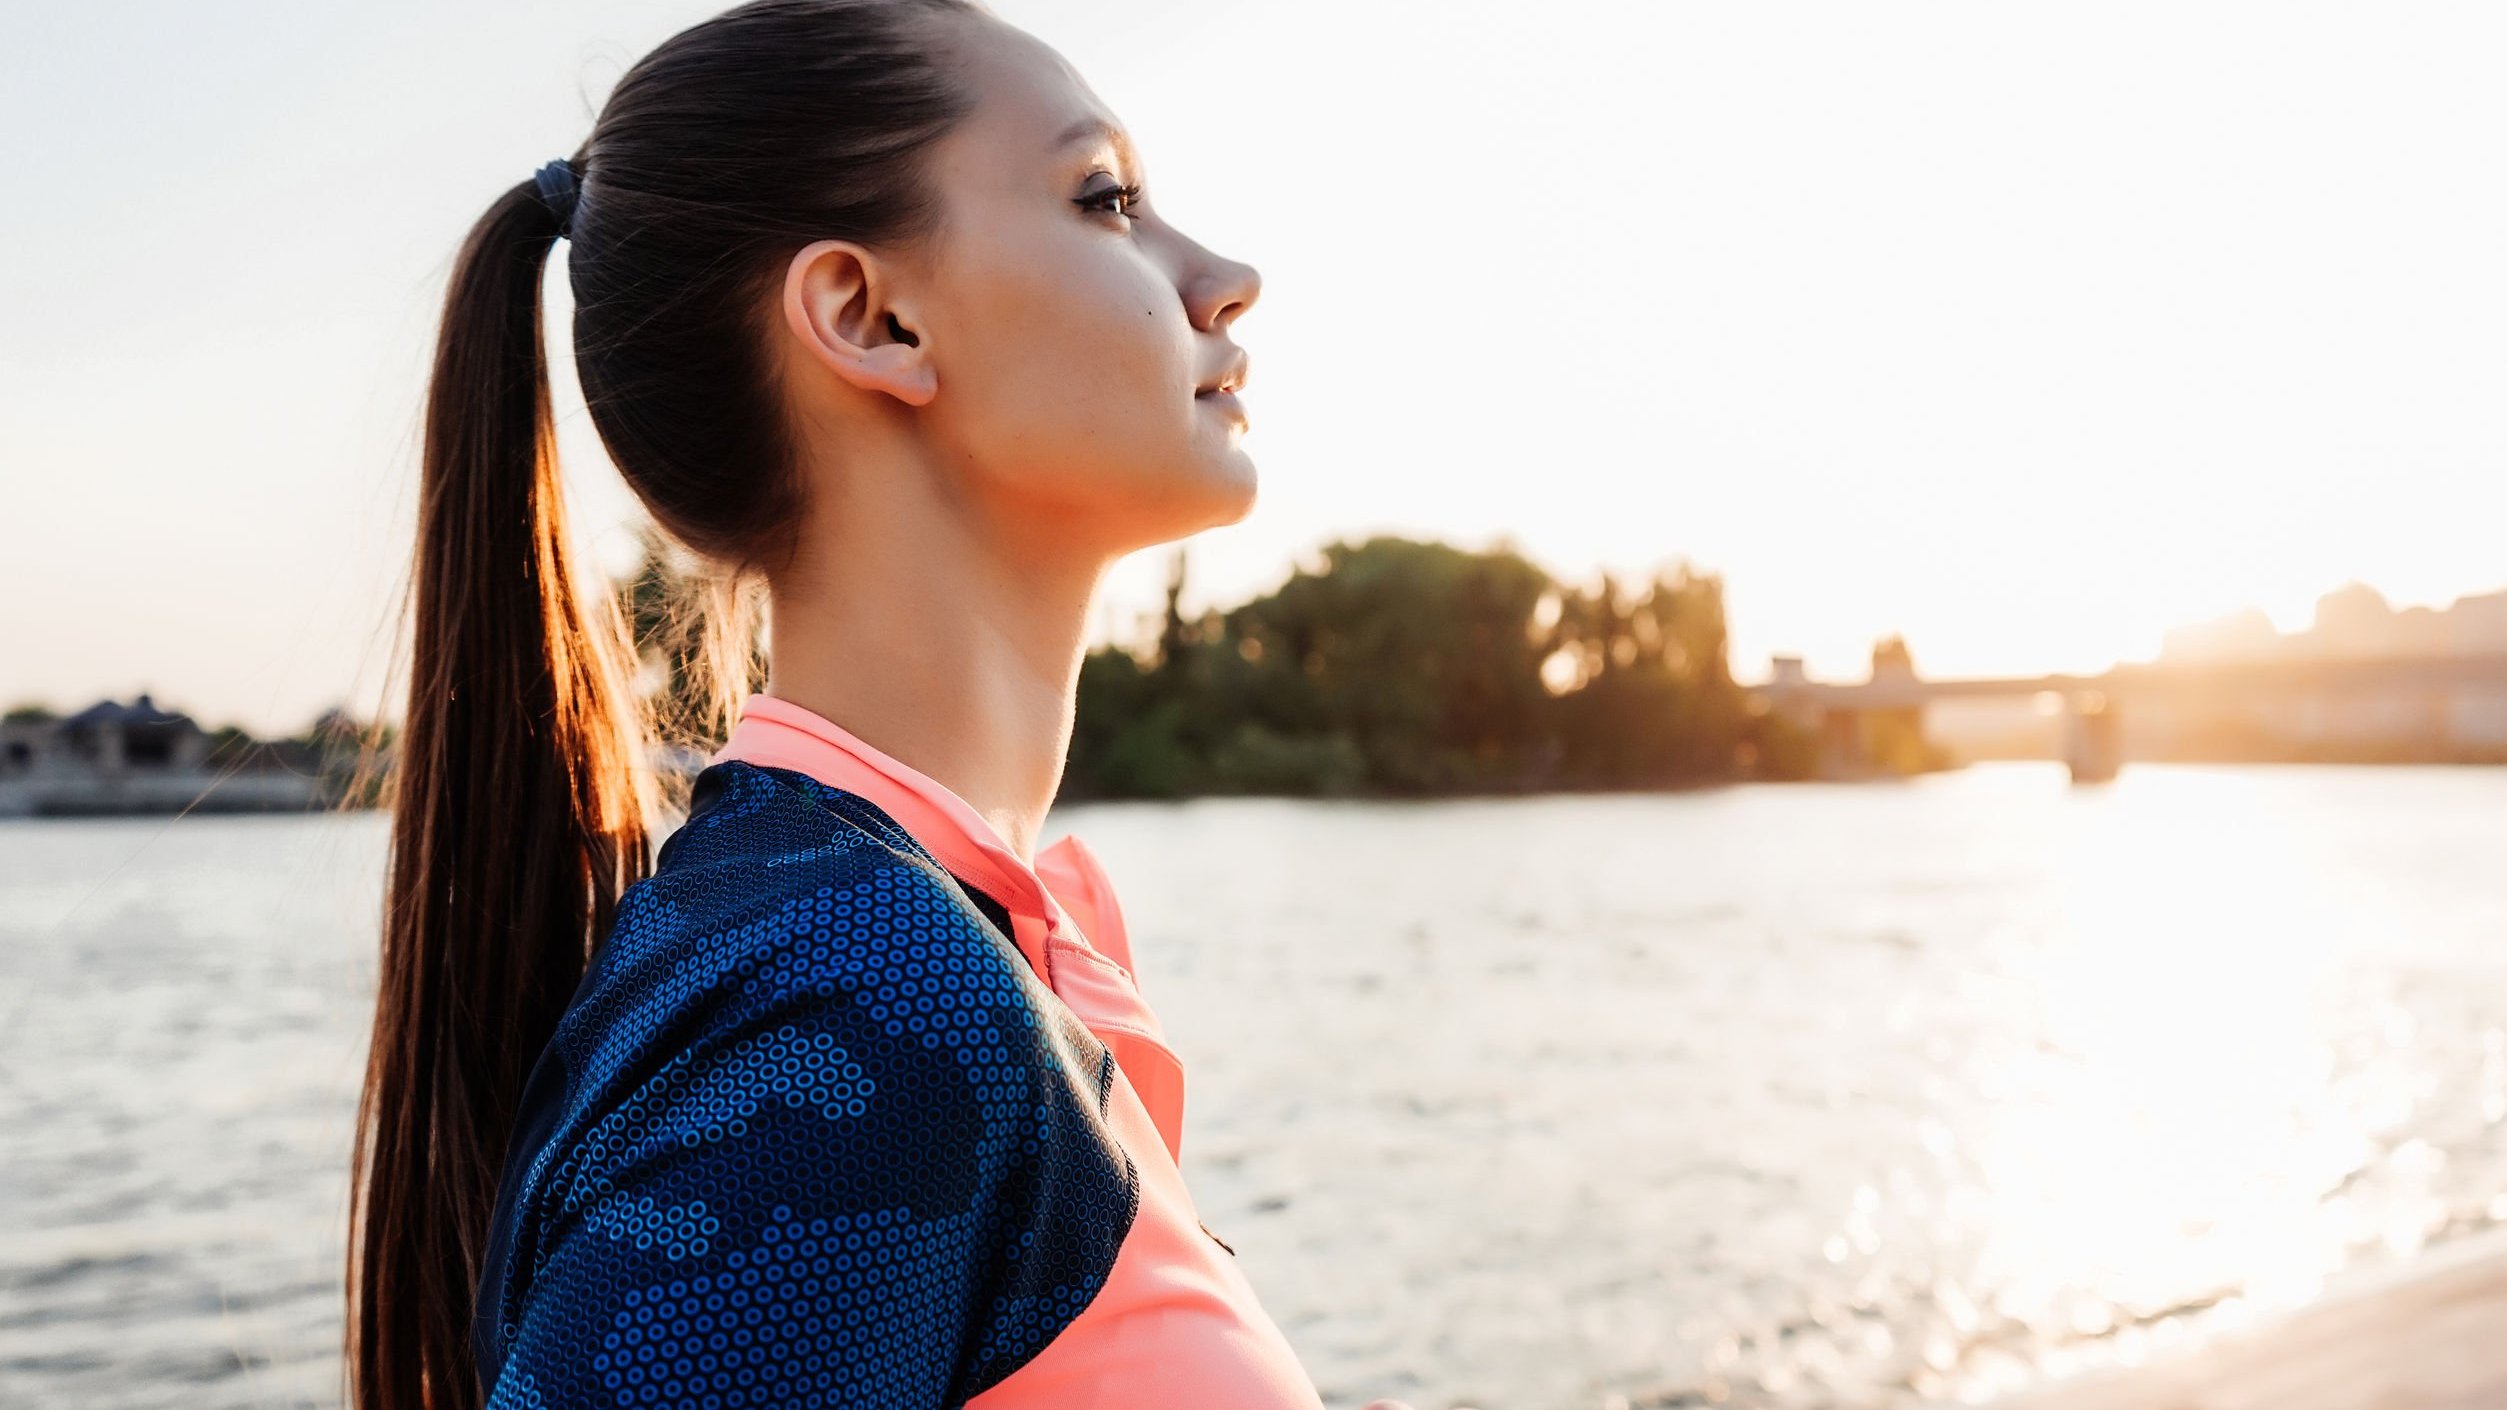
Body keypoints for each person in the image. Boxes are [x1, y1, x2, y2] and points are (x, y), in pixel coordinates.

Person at [344, 1, 1423, 1407]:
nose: (1225, 276)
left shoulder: (902, 948)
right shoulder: (864, 995)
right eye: (1107, 199)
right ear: (870, 315)